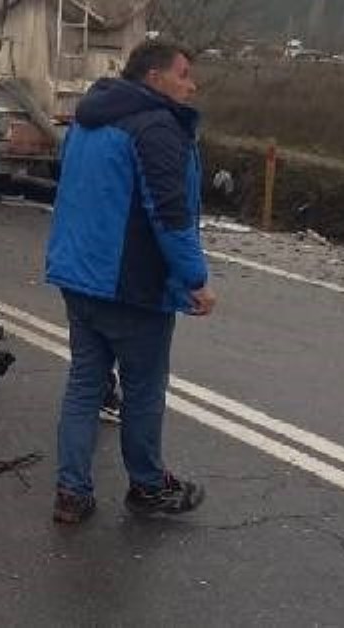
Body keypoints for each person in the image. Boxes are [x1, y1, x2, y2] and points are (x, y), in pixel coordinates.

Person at [44, 38, 216, 524]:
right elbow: (169, 214)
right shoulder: (155, 127)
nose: (191, 85)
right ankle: (147, 485)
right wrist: (196, 279)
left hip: (79, 276)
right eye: (183, 74)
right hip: (129, 285)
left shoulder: (88, 118)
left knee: (85, 385)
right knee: (143, 390)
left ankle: (71, 492)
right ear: (154, 77)